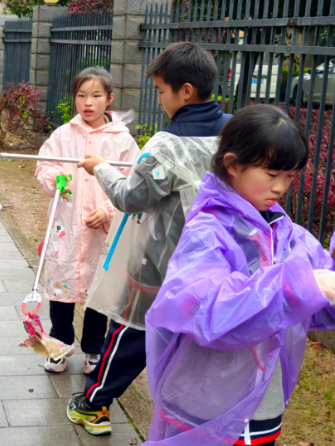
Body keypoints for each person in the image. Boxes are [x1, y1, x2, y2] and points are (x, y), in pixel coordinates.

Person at [144, 104, 335, 445]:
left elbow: (318, 301)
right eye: (272, 174)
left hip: (262, 407)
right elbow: (210, 312)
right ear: (232, 164)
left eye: (290, 177)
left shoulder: (286, 233)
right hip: (205, 406)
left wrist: (321, 285)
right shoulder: (208, 232)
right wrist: (302, 286)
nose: (281, 187)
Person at [69, 42, 232, 435]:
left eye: (161, 91)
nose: (159, 99)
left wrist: (101, 168)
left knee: (131, 333)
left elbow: (130, 198)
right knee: (194, 340)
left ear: (185, 91)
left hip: (159, 264)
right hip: (217, 263)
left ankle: (95, 404)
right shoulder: (235, 134)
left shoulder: (166, 144)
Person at [35, 67, 140, 375]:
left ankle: (94, 348)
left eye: (96, 96)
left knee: (98, 290)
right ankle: (59, 344)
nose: (88, 102)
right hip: (67, 226)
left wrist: (108, 210)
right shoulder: (63, 135)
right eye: (81, 95)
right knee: (61, 287)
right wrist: (55, 177)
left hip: (102, 230)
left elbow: (132, 181)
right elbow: (44, 165)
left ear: (110, 99)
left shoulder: (122, 141)